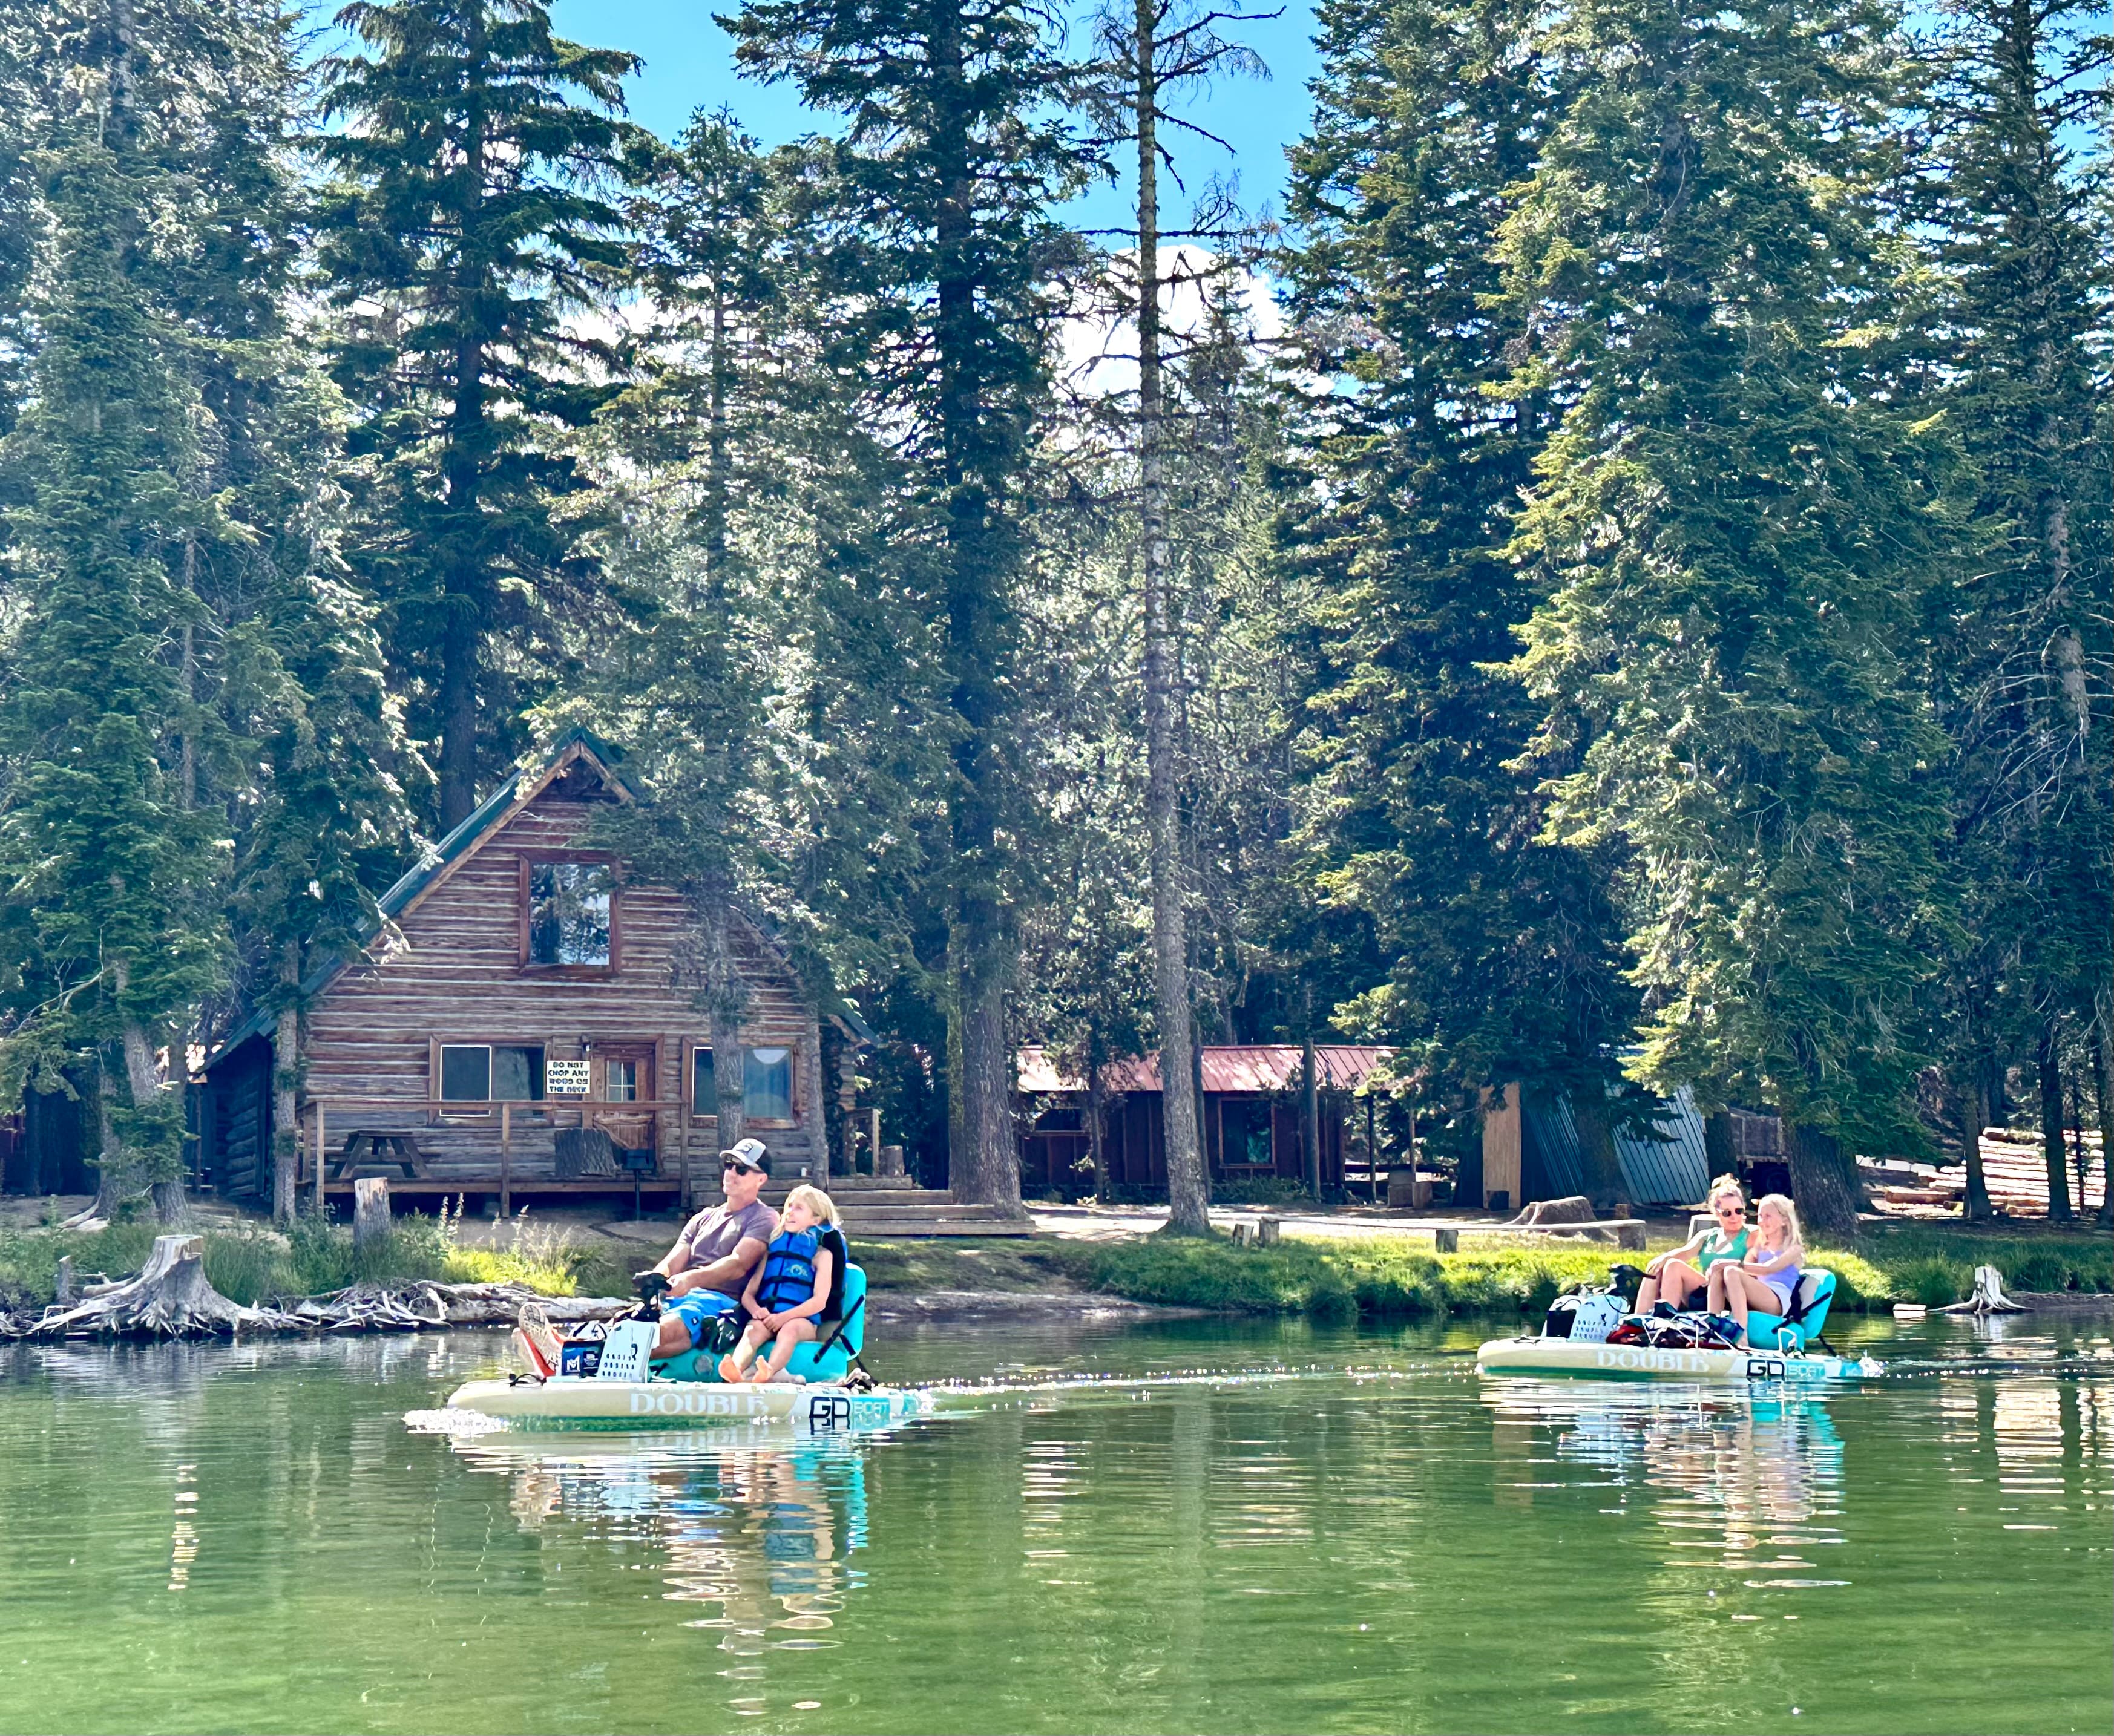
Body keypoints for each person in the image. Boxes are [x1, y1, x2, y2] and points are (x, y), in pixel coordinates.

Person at [649, 1138, 780, 1360]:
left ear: (761, 1179)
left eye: (741, 1169)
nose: (731, 1173)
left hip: (719, 1303)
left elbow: (738, 1264)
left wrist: (690, 1280)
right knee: (624, 1324)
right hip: (679, 1297)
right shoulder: (702, 1217)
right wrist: (654, 1284)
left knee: (659, 1333)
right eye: (728, 1165)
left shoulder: (765, 1218)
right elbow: (672, 1262)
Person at [718, 1185, 839, 1384]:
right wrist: (756, 1311)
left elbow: (819, 1302)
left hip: (801, 1322)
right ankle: (736, 1370)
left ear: (816, 1220)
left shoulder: (822, 1254)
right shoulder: (773, 1249)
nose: (790, 1211)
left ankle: (770, 1371)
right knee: (753, 1330)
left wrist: (784, 1317)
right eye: (789, 1206)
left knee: (789, 1330)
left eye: (799, 1208)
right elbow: (749, 1294)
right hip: (768, 1317)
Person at [1635, 1176, 1750, 1314]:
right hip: (1706, 1289)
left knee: (1671, 1265)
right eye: (1727, 1213)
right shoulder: (1708, 1235)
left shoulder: (1751, 1234)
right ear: (1716, 1214)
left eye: (1739, 1211)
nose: (1734, 1217)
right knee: (1666, 1265)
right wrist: (1661, 1259)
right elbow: (1684, 1253)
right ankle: (1639, 1320)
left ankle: (1665, 1321)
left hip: (1731, 1292)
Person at [1705, 1192, 1805, 1348]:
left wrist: (1727, 1263)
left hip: (1777, 1302)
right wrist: (1718, 1267)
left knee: (1731, 1270)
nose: (1762, 1221)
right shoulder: (1760, 1246)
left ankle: (1741, 1336)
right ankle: (1712, 1328)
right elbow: (1746, 1268)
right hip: (1759, 1295)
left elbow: (1768, 1269)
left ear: (1785, 1220)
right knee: (1723, 1271)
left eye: (1768, 1216)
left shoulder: (1794, 1249)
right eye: (1760, 1216)